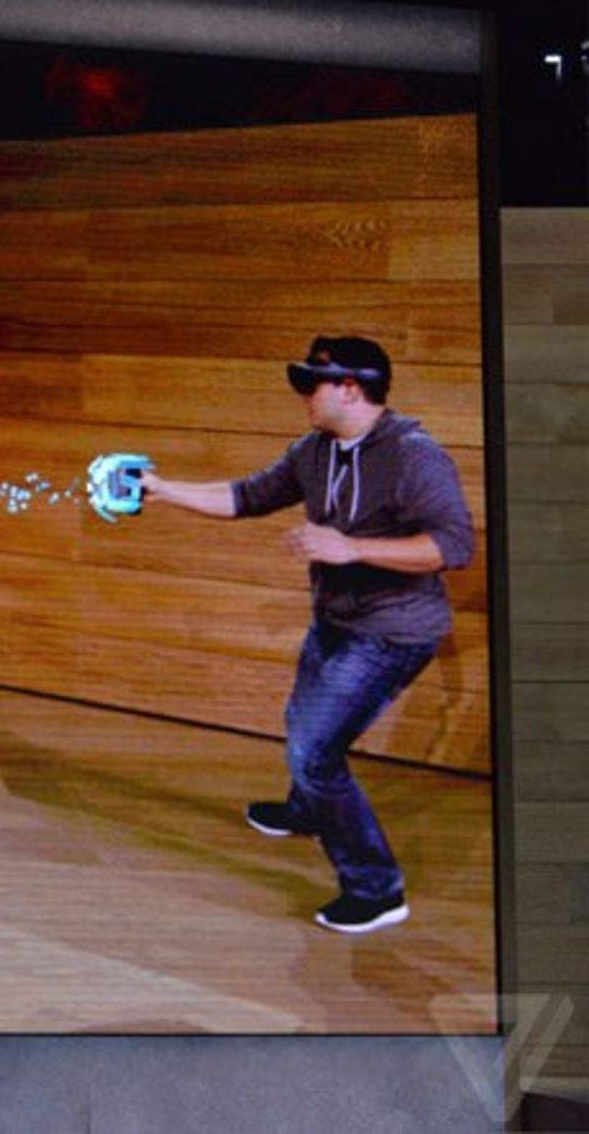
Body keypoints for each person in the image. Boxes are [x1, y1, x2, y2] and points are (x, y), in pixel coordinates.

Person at [137, 335, 474, 934]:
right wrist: (161, 489)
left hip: (393, 633)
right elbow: (246, 496)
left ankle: (376, 890)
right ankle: (308, 810)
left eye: (311, 385)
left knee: (314, 752)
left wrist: (352, 548)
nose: (303, 397)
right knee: (302, 722)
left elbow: (453, 546)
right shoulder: (313, 451)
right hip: (335, 621)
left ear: (350, 388)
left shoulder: (413, 456)